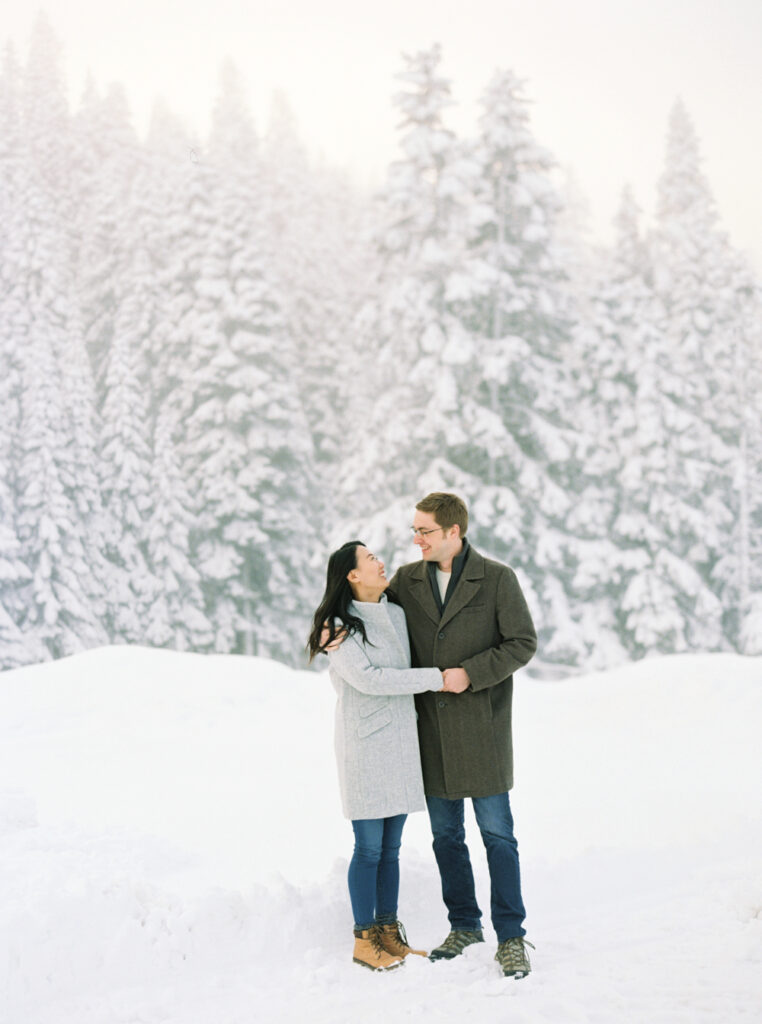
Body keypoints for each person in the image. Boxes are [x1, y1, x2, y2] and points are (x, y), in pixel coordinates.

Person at [386, 492, 538, 979]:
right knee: (445, 835)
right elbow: (375, 620)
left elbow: (522, 643)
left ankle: (511, 937)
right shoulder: (406, 581)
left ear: (454, 532)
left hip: (483, 729)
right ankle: (465, 924)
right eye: (415, 530)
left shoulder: (496, 579)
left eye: (425, 531)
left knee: (497, 834)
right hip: (429, 730)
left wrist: (470, 673)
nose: (416, 540)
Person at [307, 540, 467, 972]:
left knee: (392, 848)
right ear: (352, 576)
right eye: (370, 559)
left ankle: (388, 933)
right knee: (369, 848)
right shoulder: (336, 627)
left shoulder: (395, 614)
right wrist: (436, 679)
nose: (380, 562)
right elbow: (371, 680)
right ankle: (364, 940)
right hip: (364, 745)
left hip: (400, 741)